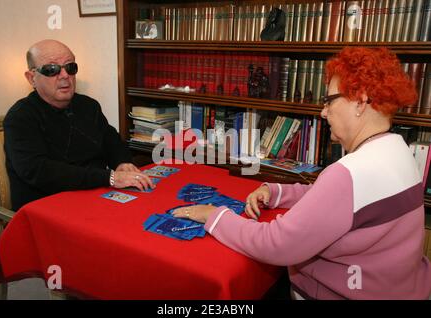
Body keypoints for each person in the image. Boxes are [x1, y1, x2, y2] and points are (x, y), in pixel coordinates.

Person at [173, 47, 431, 299]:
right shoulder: (398, 151)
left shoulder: (349, 174)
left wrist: (214, 216)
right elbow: (337, 202)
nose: (323, 112)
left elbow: (276, 244)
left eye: (329, 100)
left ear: (360, 102)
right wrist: (277, 192)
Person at [4, 39, 155, 211]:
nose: (64, 75)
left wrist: (122, 163)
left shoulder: (88, 105)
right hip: (47, 208)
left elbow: (112, 141)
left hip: (94, 197)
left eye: (70, 67)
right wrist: (110, 178)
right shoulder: (20, 117)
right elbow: (40, 172)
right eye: (51, 69)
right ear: (32, 78)